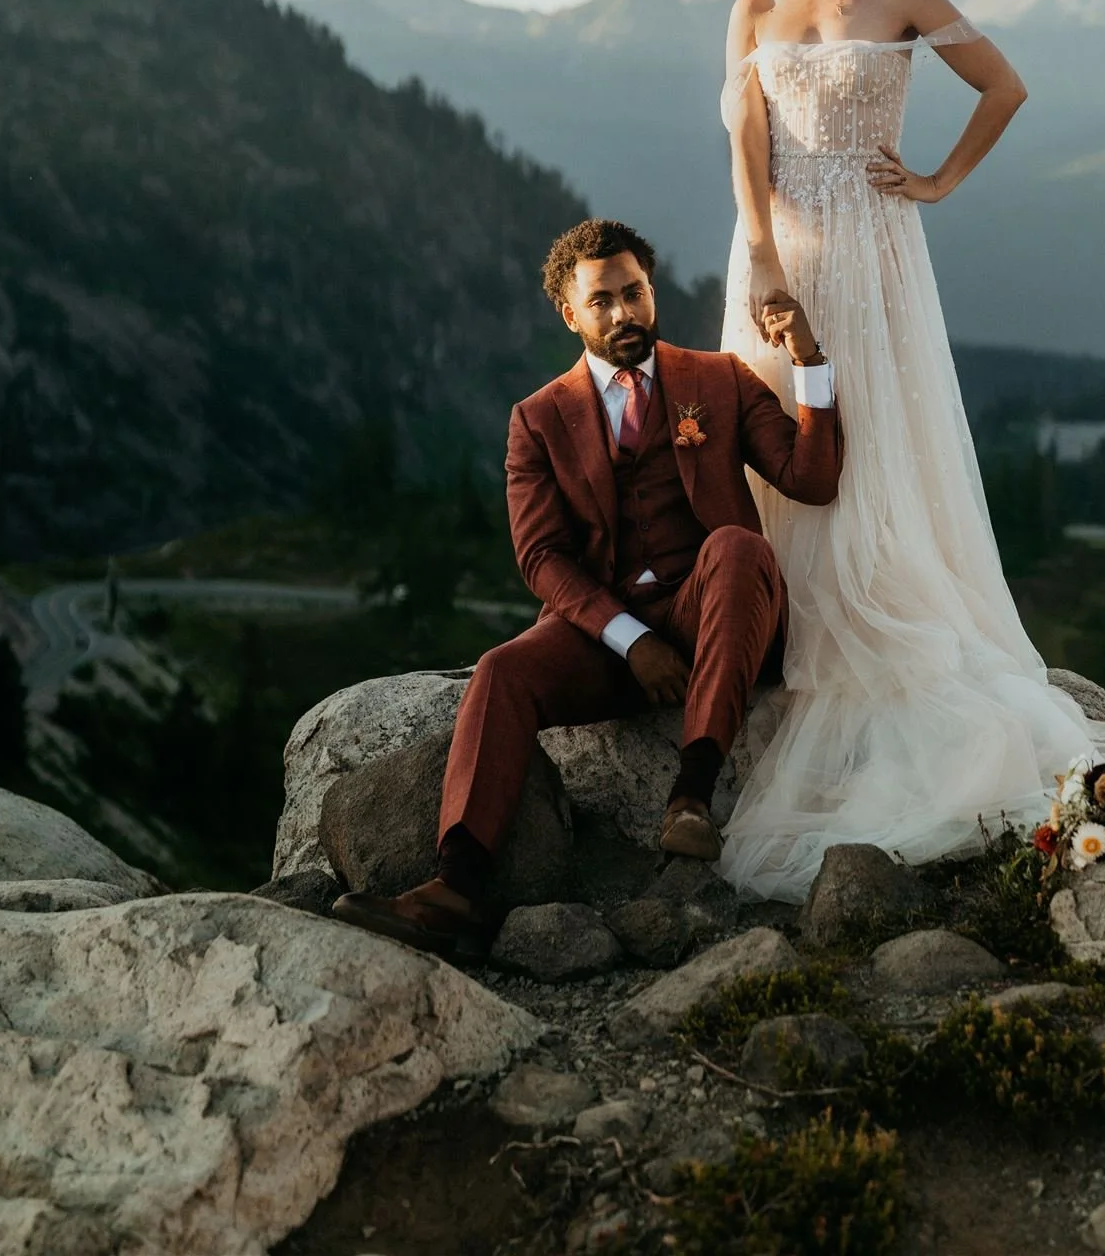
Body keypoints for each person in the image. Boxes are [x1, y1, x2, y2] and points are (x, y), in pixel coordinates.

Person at [718, 0, 1105, 903]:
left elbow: (1002, 86)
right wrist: (763, 254)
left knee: (870, 435)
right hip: (780, 247)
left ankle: (871, 611)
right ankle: (768, 626)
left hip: (873, 244)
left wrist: (939, 180)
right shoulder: (752, 11)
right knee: (776, 433)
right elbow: (745, 144)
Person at [333, 216, 841, 958]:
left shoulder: (719, 379)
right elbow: (541, 557)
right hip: (606, 637)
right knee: (502, 670)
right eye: (602, 301)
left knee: (737, 545)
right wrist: (631, 643)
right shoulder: (536, 420)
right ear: (571, 315)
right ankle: (456, 889)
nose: (624, 312)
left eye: (633, 293)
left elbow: (813, 479)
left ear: (651, 293)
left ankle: (691, 796)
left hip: (716, 616)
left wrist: (807, 358)